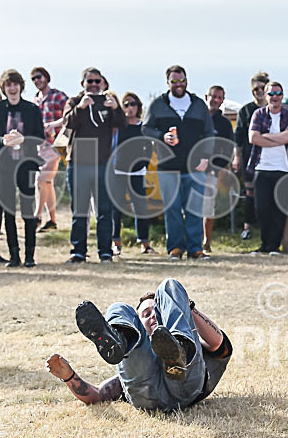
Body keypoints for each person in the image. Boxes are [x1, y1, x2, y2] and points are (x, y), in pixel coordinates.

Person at [45, 278, 233, 412]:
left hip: (186, 382)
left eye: (157, 311)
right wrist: (68, 376)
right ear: (139, 325)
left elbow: (219, 344)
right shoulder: (138, 362)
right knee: (119, 308)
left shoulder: (198, 346)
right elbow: (97, 396)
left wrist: (184, 306)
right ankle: (120, 339)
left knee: (170, 285)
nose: (152, 316)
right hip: (145, 392)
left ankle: (180, 350)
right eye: (146, 314)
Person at [142, 65, 213, 261]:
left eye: (182, 80)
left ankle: (195, 249)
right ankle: (175, 248)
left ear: (187, 80)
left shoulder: (198, 104)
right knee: (172, 209)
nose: (179, 85)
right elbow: (146, 129)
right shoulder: (157, 105)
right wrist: (161, 136)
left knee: (194, 209)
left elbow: (209, 133)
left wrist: (206, 157)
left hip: (195, 166)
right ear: (167, 83)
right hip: (167, 167)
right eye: (174, 81)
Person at [62, 67, 126, 263]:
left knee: (104, 210)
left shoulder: (108, 102)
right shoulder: (74, 102)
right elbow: (67, 123)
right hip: (79, 163)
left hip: (102, 163)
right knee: (80, 210)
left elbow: (122, 124)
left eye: (97, 81)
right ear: (83, 84)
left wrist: (115, 108)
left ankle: (105, 251)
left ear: (103, 83)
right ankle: (78, 251)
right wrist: (80, 107)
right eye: (90, 81)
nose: (94, 85)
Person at [0, 69, 46, 267]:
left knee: (28, 211)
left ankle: (30, 255)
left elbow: (40, 136)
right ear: (3, 88)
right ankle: (14, 255)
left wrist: (24, 139)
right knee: (8, 212)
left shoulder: (31, 109)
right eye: (8, 85)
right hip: (5, 167)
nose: (12, 88)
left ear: (21, 86)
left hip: (27, 165)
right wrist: (2, 140)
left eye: (15, 84)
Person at [247, 81, 288, 255]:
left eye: (278, 93)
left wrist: (267, 136)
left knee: (279, 210)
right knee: (262, 209)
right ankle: (264, 244)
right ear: (266, 96)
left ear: (282, 96)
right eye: (271, 94)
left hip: (284, 168)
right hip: (261, 167)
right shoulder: (258, 114)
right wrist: (278, 138)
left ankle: (274, 246)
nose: (274, 97)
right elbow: (253, 138)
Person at [110, 92, 157, 255]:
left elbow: (149, 148)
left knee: (141, 209)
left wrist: (144, 164)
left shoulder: (143, 127)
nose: (130, 108)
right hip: (118, 172)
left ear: (138, 107)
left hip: (138, 173)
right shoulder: (118, 126)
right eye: (126, 104)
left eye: (133, 104)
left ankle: (145, 244)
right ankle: (116, 243)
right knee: (116, 209)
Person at [232, 71, 270, 241]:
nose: (259, 92)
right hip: (250, 156)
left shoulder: (275, 109)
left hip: (270, 157)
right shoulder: (245, 111)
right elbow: (238, 136)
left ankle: (267, 227)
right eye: (256, 89)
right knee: (250, 193)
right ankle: (247, 227)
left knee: (268, 193)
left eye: (262, 88)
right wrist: (237, 157)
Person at [31, 66, 69, 232]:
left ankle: (36, 217)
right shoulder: (36, 99)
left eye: (39, 77)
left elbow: (71, 114)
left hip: (57, 143)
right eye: (33, 79)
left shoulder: (58, 96)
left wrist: (54, 125)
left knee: (41, 179)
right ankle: (52, 220)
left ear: (46, 77)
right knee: (46, 182)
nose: (37, 81)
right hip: (41, 145)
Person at [202, 85, 235, 253]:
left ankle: (206, 241)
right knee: (188, 207)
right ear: (206, 96)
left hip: (212, 171)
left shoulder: (224, 123)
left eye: (219, 97)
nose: (215, 100)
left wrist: (217, 166)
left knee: (208, 208)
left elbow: (228, 148)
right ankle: (189, 241)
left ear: (222, 100)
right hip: (191, 169)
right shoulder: (197, 118)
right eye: (212, 96)